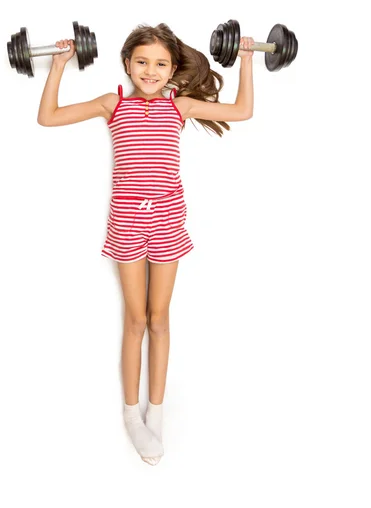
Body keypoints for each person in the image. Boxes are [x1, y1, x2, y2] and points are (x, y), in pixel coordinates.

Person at [37, 23, 254, 466]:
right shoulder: (111, 103)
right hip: (127, 223)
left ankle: (157, 412)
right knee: (135, 320)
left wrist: (247, 57)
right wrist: (58, 65)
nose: (150, 71)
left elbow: (244, 110)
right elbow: (49, 117)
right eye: (142, 62)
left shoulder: (181, 106)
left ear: (173, 69)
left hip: (168, 220)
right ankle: (131, 414)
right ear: (126, 64)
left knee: (160, 319)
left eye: (160, 64)